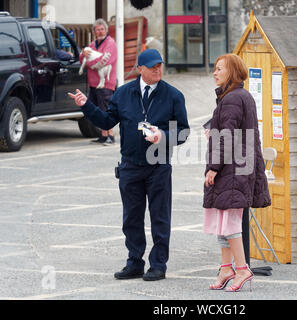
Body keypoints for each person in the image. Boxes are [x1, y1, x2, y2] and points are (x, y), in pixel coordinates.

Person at [68, 48, 190, 281]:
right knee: (131, 218)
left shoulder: (174, 96)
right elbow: (106, 121)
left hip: (158, 166)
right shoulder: (123, 93)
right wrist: (86, 105)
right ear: (140, 69)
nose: (157, 69)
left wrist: (163, 136)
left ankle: (158, 265)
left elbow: (183, 132)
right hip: (130, 166)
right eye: (153, 66)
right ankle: (134, 261)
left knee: (160, 218)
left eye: (160, 65)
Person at [203, 54, 271, 292]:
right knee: (221, 220)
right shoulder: (236, 97)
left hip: (233, 170)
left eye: (219, 68)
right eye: (215, 67)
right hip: (236, 168)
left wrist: (213, 167)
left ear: (231, 72)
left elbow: (228, 137)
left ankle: (241, 269)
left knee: (230, 222)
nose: (215, 72)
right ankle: (226, 268)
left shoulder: (232, 99)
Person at [80, 18, 117, 146]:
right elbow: (83, 58)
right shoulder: (92, 44)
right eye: (97, 29)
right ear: (94, 31)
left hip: (106, 83)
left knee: (106, 109)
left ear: (106, 30)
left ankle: (110, 136)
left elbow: (105, 60)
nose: (100, 31)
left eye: (102, 29)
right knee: (97, 110)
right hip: (93, 84)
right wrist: (83, 54)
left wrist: (89, 63)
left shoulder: (111, 43)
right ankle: (103, 135)